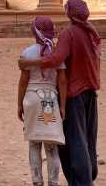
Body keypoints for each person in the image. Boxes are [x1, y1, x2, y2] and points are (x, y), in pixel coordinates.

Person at [19, 0, 101, 186]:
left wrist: (29, 63)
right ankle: (88, 175)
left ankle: (81, 181)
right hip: (90, 91)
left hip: (74, 94)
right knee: (88, 137)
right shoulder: (91, 33)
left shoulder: (69, 34)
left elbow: (56, 59)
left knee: (74, 140)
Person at [18, 17, 67, 186]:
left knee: (34, 143)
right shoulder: (57, 53)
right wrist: (62, 105)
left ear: (34, 32)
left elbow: (23, 81)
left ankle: (37, 181)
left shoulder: (27, 53)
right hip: (51, 100)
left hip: (32, 98)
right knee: (51, 145)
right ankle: (53, 182)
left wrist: (19, 104)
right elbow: (62, 81)